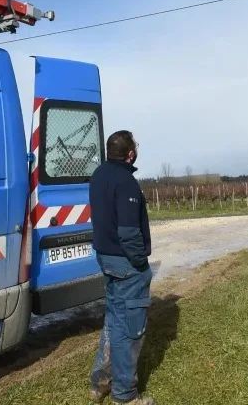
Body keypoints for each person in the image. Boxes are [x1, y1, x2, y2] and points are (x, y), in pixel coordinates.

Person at [87, 130, 155, 405]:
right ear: (130, 154)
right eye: (135, 146)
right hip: (126, 263)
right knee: (130, 328)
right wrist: (141, 264)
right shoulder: (126, 181)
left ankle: (100, 383)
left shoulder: (98, 176)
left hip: (106, 258)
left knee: (114, 320)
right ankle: (125, 395)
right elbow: (128, 233)